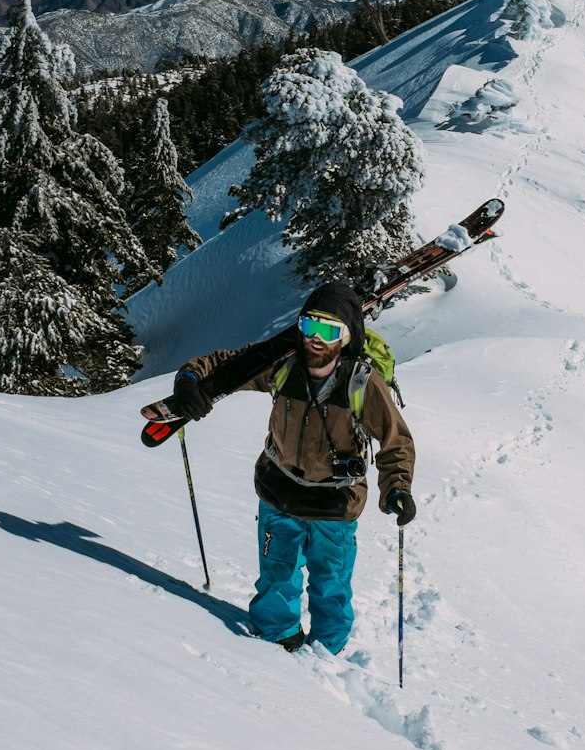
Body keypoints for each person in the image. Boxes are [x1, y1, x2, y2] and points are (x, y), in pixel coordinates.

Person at [173, 280, 415, 654]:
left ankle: (327, 656)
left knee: (331, 587)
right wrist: (190, 377)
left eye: (328, 331)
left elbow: (395, 439)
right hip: (278, 493)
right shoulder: (282, 367)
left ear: (346, 338)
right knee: (276, 579)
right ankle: (275, 645)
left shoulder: (361, 384)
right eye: (308, 326)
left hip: (334, 506)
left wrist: (397, 487)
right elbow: (226, 365)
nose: (315, 338)